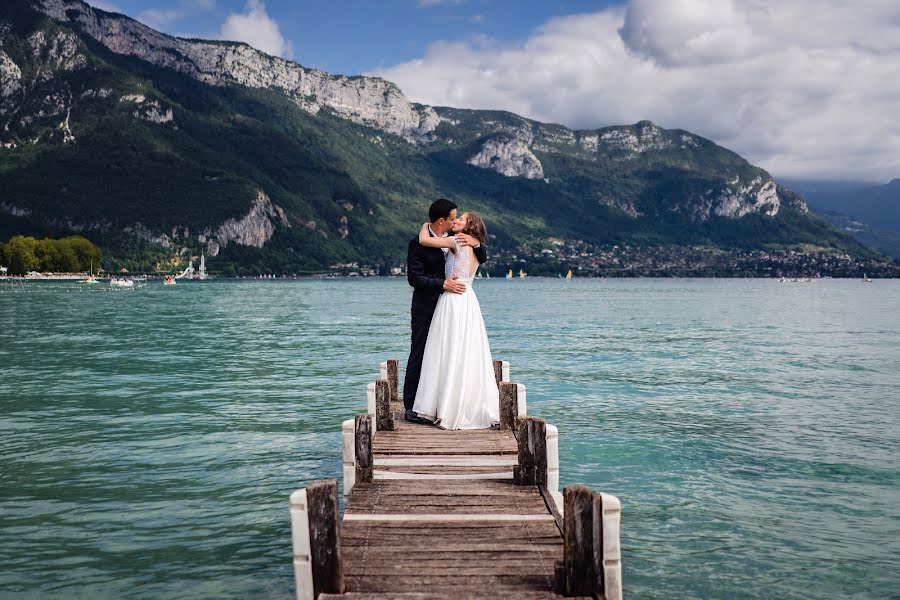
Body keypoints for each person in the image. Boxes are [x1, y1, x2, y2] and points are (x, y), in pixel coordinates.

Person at [411, 211, 500, 430]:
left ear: (469, 227)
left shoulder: (456, 241)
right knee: (466, 352)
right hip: (468, 299)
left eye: (460, 219)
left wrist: (425, 224)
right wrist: (477, 242)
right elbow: (482, 254)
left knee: (446, 350)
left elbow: (424, 239)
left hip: (452, 298)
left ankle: (444, 406)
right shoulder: (474, 247)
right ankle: (463, 404)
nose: (455, 221)